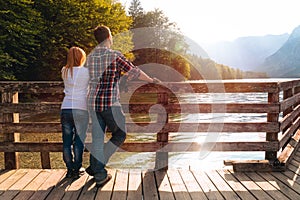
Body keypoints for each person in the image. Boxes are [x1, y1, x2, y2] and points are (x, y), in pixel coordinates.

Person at [85, 25, 160, 187]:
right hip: (109, 103)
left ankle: (96, 170)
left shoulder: (90, 57)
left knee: (98, 137)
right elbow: (134, 72)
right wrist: (152, 80)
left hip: (92, 102)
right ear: (108, 38)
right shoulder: (114, 56)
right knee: (120, 134)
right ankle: (98, 168)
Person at [60, 46, 89, 179]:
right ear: (81, 57)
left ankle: (69, 169)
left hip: (66, 108)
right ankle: (77, 168)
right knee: (79, 140)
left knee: (66, 141)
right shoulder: (86, 71)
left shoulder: (64, 71)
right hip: (81, 108)